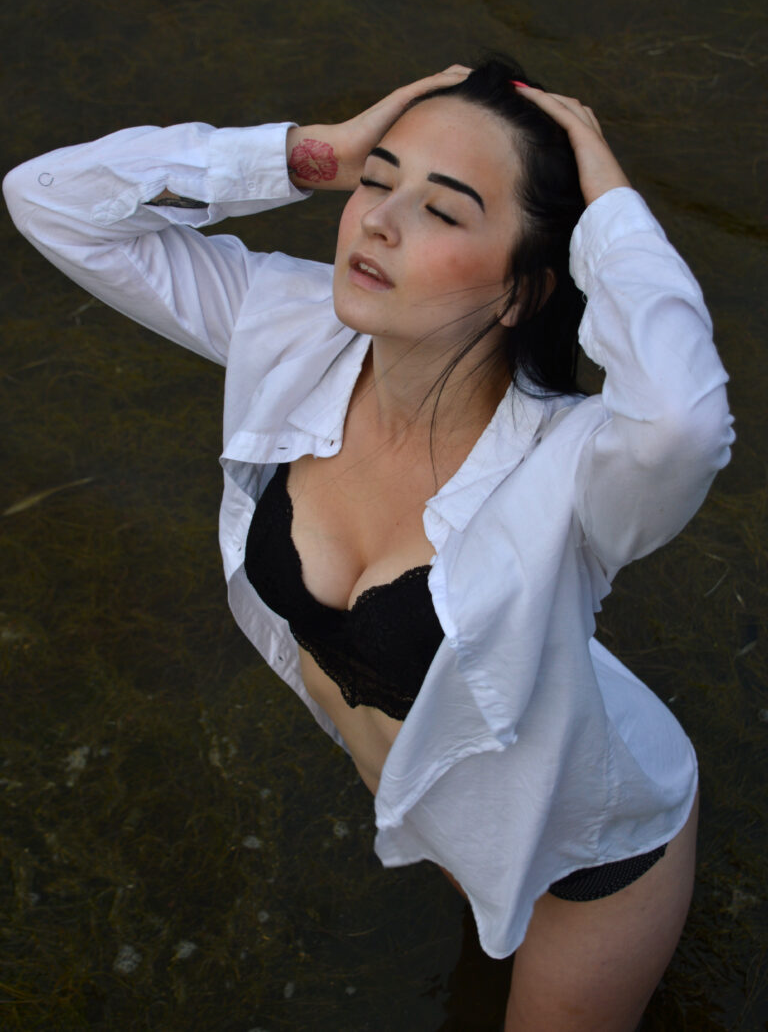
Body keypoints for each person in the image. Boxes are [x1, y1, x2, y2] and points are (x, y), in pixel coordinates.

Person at [3, 59, 733, 1031]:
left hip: (589, 854)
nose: (378, 220)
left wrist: (609, 206)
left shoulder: (573, 469)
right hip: (444, 810)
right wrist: (313, 154)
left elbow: (685, 422)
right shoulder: (292, 327)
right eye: (378, 181)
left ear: (522, 291)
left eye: (443, 209)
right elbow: (49, 200)